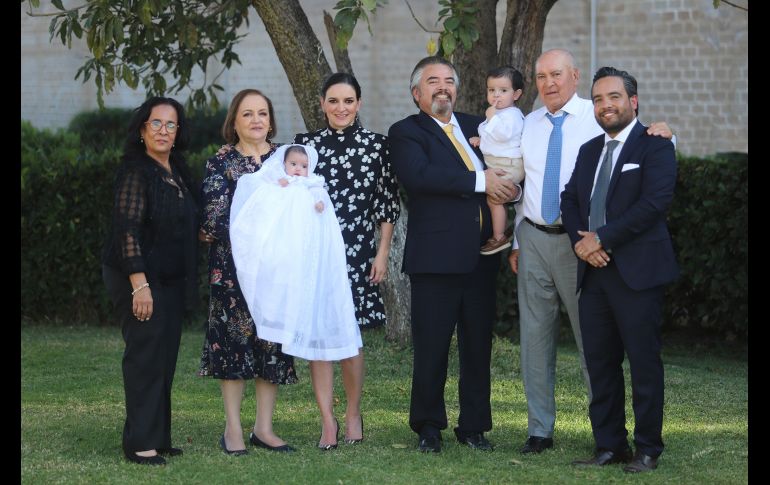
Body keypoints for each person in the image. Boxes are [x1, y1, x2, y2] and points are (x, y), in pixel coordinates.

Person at [509, 49, 674, 455]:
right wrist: (532, 240)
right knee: (569, 351)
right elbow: (550, 192)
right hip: (562, 254)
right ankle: (577, 438)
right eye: (541, 76)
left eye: (557, 74)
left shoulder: (626, 132)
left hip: (608, 257)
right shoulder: (555, 135)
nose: (549, 83)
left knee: (620, 355)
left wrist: (598, 239)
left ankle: (634, 443)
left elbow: (653, 193)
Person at [388, 56, 519, 453]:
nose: (443, 87)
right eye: (433, 81)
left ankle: (474, 426)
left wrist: (512, 187)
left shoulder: (479, 126)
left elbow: (515, 155)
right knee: (432, 346)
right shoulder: (406, 132)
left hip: (483, 255)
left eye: (449, 80)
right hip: (436, 258)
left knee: (478, 346)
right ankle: (428, 426)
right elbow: (420, 177)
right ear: (417, 93)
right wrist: (482, 181)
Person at [561, 67, 678, 473]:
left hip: (637, 272)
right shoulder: (589, 150)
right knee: (600, 363)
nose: (605, 105)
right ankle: (610, 445)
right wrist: (582, 243)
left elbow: (655, 203)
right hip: (593, 273)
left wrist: (602, 238)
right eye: (598, 99)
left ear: (633, 101)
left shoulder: (655, 146)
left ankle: (647, 449)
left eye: (613, 97)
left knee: (644, 364)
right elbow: (569, 199)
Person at [294, 73, 400, 448]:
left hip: (357, 253)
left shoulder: (377, 146)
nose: (341, 108)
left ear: (359, 104)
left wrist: (382, 253)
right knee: (319, 339)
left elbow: (387, 204)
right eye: (334, 101)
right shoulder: (305, 146)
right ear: (322, 104)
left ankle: (353, 413)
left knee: (350, 339)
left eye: (349, 101)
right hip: (315, 254)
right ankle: (327, 421)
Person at [198, 89, 298, 455]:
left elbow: (300, 207)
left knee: (271, 345)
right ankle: (233, 430)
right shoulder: (221, 162)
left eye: (262, 113)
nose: (256, 120)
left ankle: (264, 429)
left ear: (271, 121)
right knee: (233, 344)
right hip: (233, 271)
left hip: (276, 271)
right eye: (247, 114)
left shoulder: (287, 159)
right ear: (234, 122)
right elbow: (215, 217)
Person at [101, 96, 198, 465]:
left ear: (178, 132)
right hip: (136, 274)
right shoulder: (136, 171)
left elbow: (184, 216)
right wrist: (139, 285)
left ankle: (158, 437)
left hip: (169, 277)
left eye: (170, 124)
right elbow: (126, 230)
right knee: (145, 355)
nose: (163, 130)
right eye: (155, 123)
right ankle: (139, 443)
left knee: (164, 356)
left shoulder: (176, 168)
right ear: (142, 129)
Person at [229, 144, 362, 365]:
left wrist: (319, 203)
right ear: (284, 164)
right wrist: (279, 183)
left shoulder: (312, 183)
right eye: (293, 164)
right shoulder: (282, 180)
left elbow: (320, 196)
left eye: (303, 166)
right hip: (285, 239)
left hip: (304, 240)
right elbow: (267, 194)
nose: (298, 169)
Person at [468, 65, 526, 255]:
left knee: (494, 199)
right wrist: (481, 139)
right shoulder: (499, 114)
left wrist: (491, 119)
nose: (496, 95)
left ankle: (499, 236)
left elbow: (503, 134)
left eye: (503, 90)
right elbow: (494, 135)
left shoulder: (513, 115)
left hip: (508, 165)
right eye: (491, 90)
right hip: (501, 162)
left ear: (516, 94)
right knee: (495, 198)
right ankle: (501, 231)